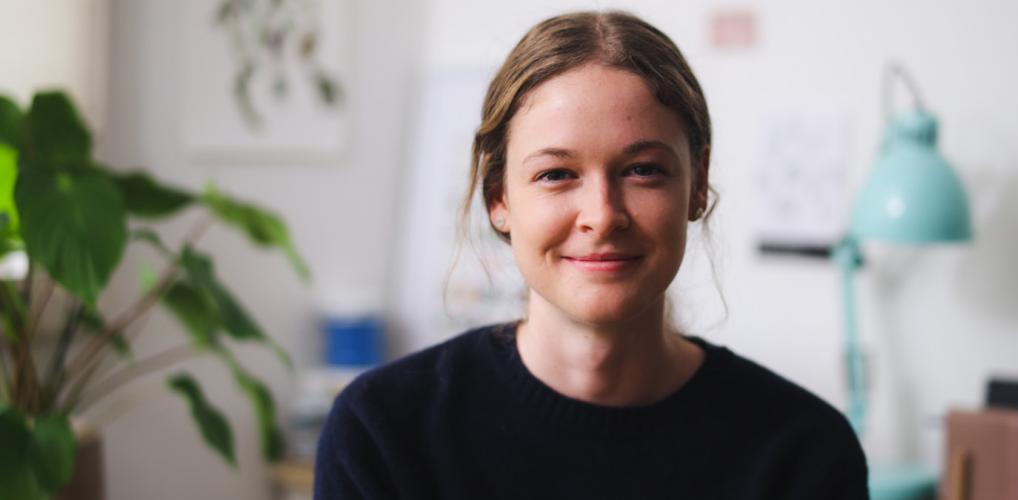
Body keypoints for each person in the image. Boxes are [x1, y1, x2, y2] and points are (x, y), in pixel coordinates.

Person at [314, 10, 867, 499]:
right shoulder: (383, 431)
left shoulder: (802, 451)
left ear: (696, 184)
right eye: (556, 174)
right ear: (499, 199)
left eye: (643, 170)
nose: (602, 214)